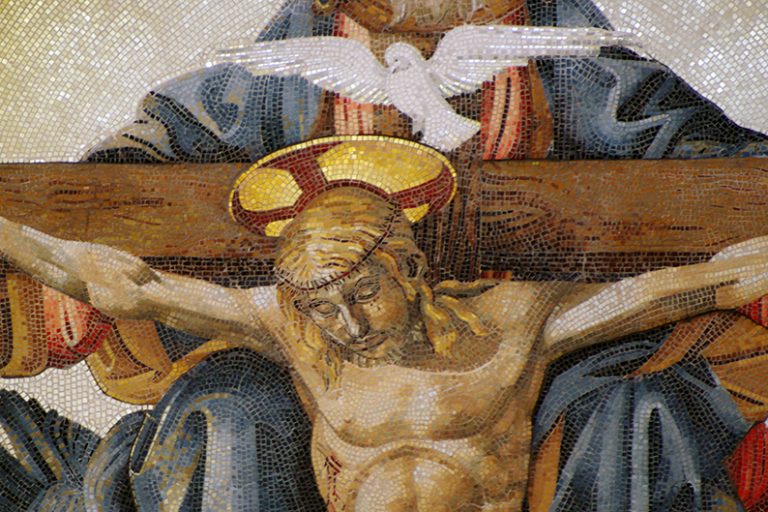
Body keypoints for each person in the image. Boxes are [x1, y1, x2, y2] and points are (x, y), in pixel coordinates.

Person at [2, 135, 768, 510]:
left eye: (363, 293)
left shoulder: (515, 323)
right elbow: (116, 283)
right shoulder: (296, 333)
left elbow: (692, 286)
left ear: (408, 267)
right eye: (322, 305)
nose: (346, 323)